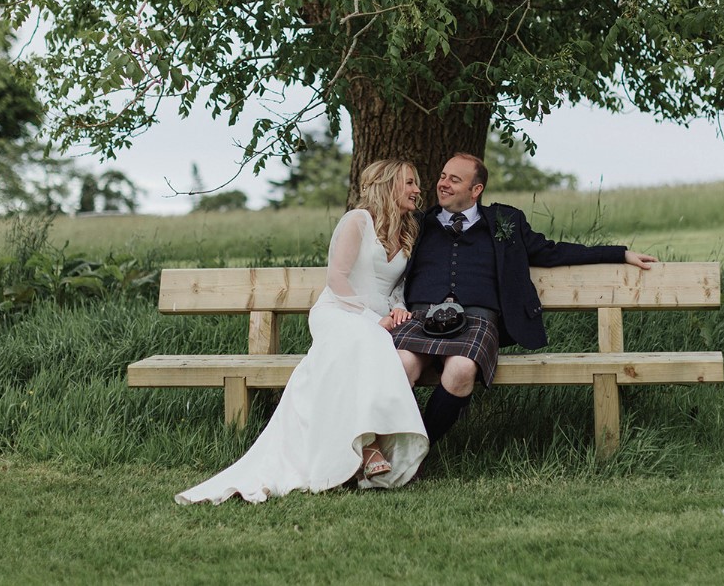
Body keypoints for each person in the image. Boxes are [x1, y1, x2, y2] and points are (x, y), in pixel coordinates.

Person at [175, 160, 429, 505]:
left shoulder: (408, 228)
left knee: (373, 343)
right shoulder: (357, 222)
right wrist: (372, 319)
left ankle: (362, 449)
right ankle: (366, 446)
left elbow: (394, 285)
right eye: (410, 182)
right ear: (388, 185)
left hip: (378, 319)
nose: (417, 189)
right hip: (339, 311)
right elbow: (337, 279)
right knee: (368, 340)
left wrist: (397, 307)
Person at [391, 152, 659, 446]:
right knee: (398, 366)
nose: (443, 184)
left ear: (476, 190)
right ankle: (379, 449)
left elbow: (552, 252)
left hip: (477, 320)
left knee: (462, 370)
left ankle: (415, 451)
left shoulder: (506, 221)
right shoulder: (418, 223)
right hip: (419, 318)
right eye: (443, 176)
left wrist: (618, 253)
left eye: (454, 180)